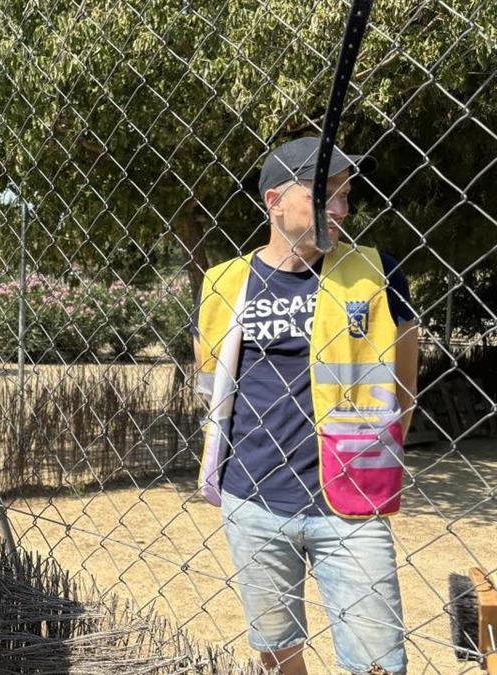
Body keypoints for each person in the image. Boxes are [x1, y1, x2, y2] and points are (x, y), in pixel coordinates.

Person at [193, 137, 419, 675]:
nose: (341, 209)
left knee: (377, 663)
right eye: (326, 196)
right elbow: (212, 384)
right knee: (276, 653)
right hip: (252, 499)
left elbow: (405, 391)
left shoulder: (380, 275)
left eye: (344, 196)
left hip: (352, 504)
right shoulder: (222, 283)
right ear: (274, 201)